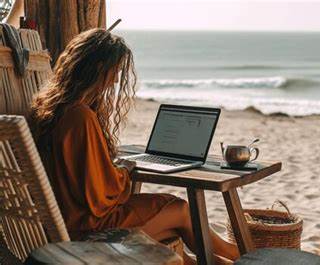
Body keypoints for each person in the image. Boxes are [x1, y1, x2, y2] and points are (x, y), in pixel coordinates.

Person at [30, 28, 238, 265]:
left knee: (174, 242)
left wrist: (113, 168)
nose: (116, 80)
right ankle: (240, 256)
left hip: (66, 220)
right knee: (180, 210)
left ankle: (227, 259)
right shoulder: (80, 116)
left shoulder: (53, 110)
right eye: (115, 71)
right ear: (99, 68)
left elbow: (84, 179)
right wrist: (123, 172)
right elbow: (98, 196)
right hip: (87, 230)